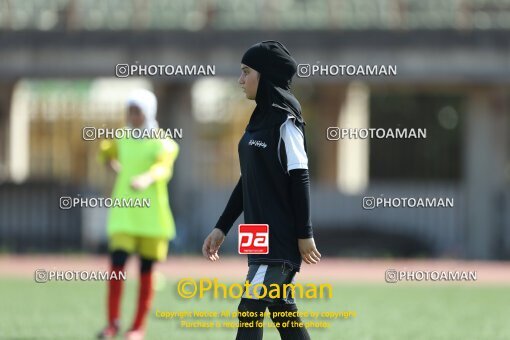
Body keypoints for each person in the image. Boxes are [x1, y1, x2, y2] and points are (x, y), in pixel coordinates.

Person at [202, 41, 321, 340]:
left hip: (278, 239)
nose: (240, 80)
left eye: (246, 72)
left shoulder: (286, 120)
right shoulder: (257, 120)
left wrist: (304, 234)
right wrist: (221, 227)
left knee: (250, 306)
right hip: (257, 237)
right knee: (281, 307)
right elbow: (249, 180)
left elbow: (300, 177)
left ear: (264, 75)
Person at [97, 89, 179, 340]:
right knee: (117, 267)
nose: (132, 116)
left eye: (137, 111)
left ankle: (137, 327)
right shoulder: (121, 138)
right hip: (124, 215)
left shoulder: (163, 142)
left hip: (152, 217)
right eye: (130, 111)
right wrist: (112, 163)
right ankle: (112, 323)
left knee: (146, 271)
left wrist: (146, 178)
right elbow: (106, 151)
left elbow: (163, 169)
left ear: (148, 113)